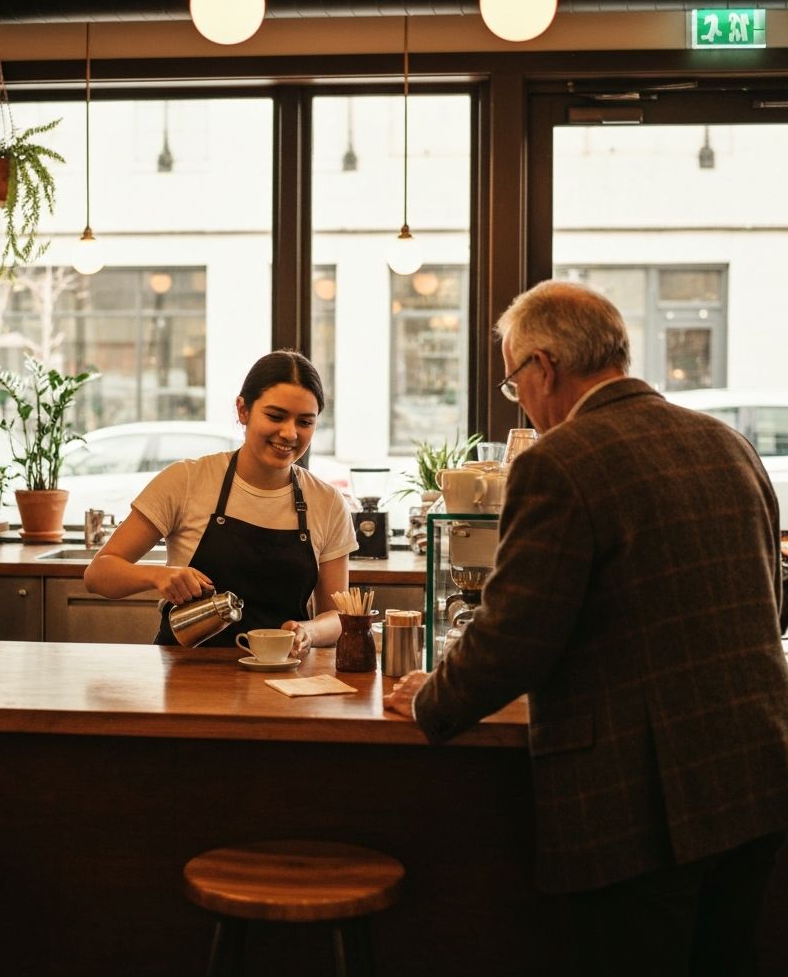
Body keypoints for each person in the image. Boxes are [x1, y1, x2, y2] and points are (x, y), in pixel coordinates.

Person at [385, 279, 788, 976]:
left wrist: (428, 699)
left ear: (544, 367)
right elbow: (769, 604)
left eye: (515, 383)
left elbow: (513, 639)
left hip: (641, 801)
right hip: (756, 776)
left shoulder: (559, 462)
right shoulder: (729, 444)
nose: (523, 403)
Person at [84, 350, 356, 654]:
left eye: (305, 422)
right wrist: (158, 575)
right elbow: (99, 575)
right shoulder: (186, 480)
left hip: (283, 679)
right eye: (275, 416)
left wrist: (310, 631)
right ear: (243, 410)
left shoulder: (327, 502)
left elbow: (337, 616)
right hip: (188, 677)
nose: (290, 433)